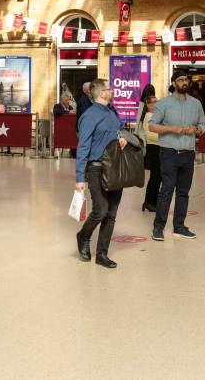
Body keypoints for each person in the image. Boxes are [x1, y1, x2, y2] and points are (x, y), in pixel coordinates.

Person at [148, 70, 205, 241]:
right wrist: (171, 128)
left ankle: (179, 226)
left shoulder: (196, 104)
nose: (184, 82)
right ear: (174, 83)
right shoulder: (164, 103)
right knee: (166, 190)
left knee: (183, 192)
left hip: (188, 153)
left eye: (186, 80)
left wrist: (196, 130)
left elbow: (203, 123)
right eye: (181, 80)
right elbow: (152, 126)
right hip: (169, 153)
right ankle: (158, 228)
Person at [75, 79, 126, 269]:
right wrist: (80, 178)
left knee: (111, 213)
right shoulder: (89, 116)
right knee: (101, 210)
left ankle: (102, 254)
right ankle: (83, 235)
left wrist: (122, 138)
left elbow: (120, 128)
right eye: (108, 88)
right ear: (100, 93)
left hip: (115, 166)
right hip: (96, 167)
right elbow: (83, 146)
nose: (111, 90)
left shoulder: (112, 111)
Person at [137, 94, 161, 212]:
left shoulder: (156, 116)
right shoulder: (149, 116)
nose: (157, 104)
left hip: (158, 148)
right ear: (148, 105)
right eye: (154, 102)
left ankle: (152, 201)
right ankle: (149, 202)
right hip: (154, 148)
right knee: (155, 177)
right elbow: (152, 135)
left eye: (157, 101)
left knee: (158, 177)